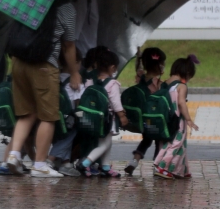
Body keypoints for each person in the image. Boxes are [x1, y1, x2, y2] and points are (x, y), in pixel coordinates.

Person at [6, 0, 81, 179]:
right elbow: (69, 45)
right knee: (48, 116)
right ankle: (39, 164)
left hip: (18, 62)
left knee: (26, 113)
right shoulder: (66, 9)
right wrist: (74, 72)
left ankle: (14, 155)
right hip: (43, 64)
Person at [74, 50, 128, 177]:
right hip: (107, 120)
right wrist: (122, 116)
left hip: (93, 118)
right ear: (113, 67)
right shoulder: (112, 83)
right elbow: (115, 102)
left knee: (105, 142)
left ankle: (105, 166)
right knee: (105, 143)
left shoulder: (90, 81)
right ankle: (85, 163)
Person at [154, 56, 200, 179]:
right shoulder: (181, 86)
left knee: (167, 142)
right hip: (177, 119)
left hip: (165, 119)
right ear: (188, 73)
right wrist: (189, 119)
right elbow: (181, 103)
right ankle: (163, 167)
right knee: (177, 143)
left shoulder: (163, 84)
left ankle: (181, 170)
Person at [124, 47, 167, 176]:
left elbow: (138, 68)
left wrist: (139, 57)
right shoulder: (159, 83)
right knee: (160, 140)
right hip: (155, 119)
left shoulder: (140, 77)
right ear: (160, 65)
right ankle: (157, 164)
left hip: (143, 120)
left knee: (147, 139)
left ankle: (134, 161)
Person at [46, 48, 85, 177]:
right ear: (76, 63)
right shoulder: (76, 82)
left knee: (60, 137)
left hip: (54, 114)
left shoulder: (54, 77)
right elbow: (78, 103)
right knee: (70, 135)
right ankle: (50, 159)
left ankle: (66, 163)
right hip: (69, 117)